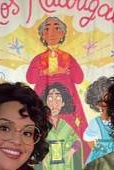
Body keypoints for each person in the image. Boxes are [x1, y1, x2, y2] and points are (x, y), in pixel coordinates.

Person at [26, 16, 90, 160]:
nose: (52, 33)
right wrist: (43, 71)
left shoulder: (67, 57)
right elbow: (30, 78)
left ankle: (73, 159)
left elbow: (79, 78)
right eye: (47, 29)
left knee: (71, 131)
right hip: (43, 100)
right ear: (42, 35)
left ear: (62, 33)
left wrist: (66, 70)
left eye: (56, 28)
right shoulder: (38, 59)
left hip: (67, 102)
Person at [35, 82, 83, 170]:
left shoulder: (65, 125)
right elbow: (34, 144)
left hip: (66, 168)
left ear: (63, 103)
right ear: (45, 103)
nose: (54, 104)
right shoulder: (41, 126)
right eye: (50, 99)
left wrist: (71, 151)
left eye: (58, 99)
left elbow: (77, 141)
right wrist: (42, 156)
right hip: (48, 168)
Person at [83, 76, 114, 164]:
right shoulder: (96, 123)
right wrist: (98, 150)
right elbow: (88, 138)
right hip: (102, 158)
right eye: (103, 101)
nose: (107, 104)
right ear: (97, 104)